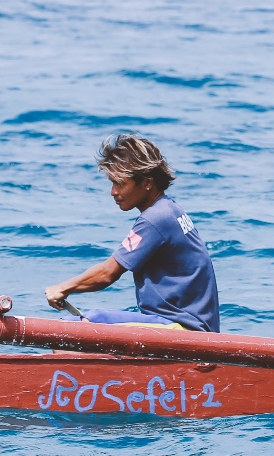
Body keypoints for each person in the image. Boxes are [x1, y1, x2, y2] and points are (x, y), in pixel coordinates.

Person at [44, 134, 220, 332]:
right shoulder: (170, 209)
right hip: (192, 326)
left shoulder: (155, 219)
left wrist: (62, 288)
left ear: (146, 182)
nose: (113, 192)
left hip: (182, 328)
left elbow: (107, 273)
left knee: (68, 330)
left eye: (120, 183)